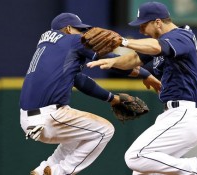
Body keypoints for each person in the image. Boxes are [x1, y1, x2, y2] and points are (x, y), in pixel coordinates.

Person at [87, 2, 197, 175]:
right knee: (143, 171)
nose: (141, 30)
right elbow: (134, 59)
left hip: (183, 116)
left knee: (135, 157)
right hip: (172, 116)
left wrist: (124, 42)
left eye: (144, 25)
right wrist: (113, 61)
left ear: (158, 22)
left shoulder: (182, 36)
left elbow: (156, 47)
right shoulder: (161, 42)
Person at [19, 12, 161, 175]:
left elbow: (79, 80)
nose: (83, 33)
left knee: (80, 135)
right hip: (50, 115)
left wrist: (112, 99)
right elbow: (115, 62)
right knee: (104, 130)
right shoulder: (73, 40)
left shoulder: (48, 46)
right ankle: (59, 172)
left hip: (29, 119)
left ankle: (44, 169)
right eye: (79, 29)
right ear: (67, 28)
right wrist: (146, 74)